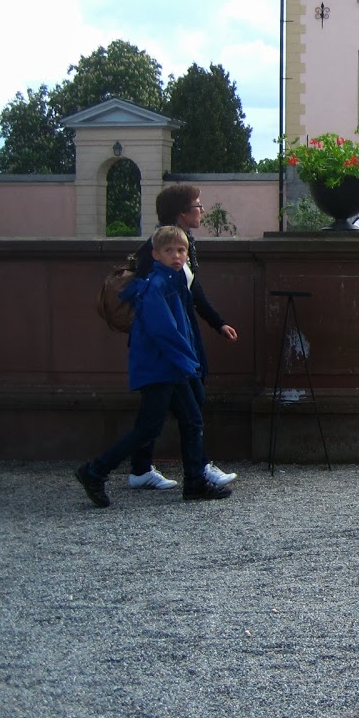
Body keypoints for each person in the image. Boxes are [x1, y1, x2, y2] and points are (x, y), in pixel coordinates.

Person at [74, 227, 232, 506]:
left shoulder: (170, 282)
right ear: (156, 255)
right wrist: (189, 361)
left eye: (181, 250)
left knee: (189, 420)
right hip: (163, 367)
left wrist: (186, 360)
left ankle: (194, 481)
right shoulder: (157, 285)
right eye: (169, 251)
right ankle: (94, 471)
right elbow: (165, 332)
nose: (176, 256)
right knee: (153, 427)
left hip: (170, 366)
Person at [127, 183, 238, 491]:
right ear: (181, 212)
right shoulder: (161, 246)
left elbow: (193, 290)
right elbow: (152, 295)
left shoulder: (179, 244)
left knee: (163, 410)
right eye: (197, 205)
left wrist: (218, 323)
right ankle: (194, 469)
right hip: (168, 342)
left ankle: (144, 469)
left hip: (178, 337)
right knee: (181, 407)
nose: (201, 210)